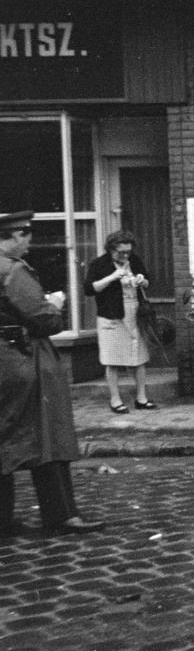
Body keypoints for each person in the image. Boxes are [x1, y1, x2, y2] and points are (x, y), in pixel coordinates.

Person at [0, 210, 105, 536]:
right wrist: (54, 305)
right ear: (15, 235)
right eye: (27, 237)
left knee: (4, 438)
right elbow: (45, 320)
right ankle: (61, 515)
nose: (29, 245)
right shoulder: (13, 271)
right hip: (25, 359)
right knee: (49, 435)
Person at [84, 231, 157, 413]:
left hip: (134, 313)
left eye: (128, 252)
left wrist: (142, 280)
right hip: (111, 316)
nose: (125, 256)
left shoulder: (135, 260)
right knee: (113, 359)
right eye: (120, 252)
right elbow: (89, 289)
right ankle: (115, 399)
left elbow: (147, 281)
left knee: (139, 357)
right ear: (111, 250)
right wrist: (112, 277)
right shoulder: (99, 264)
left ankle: (141, 398)